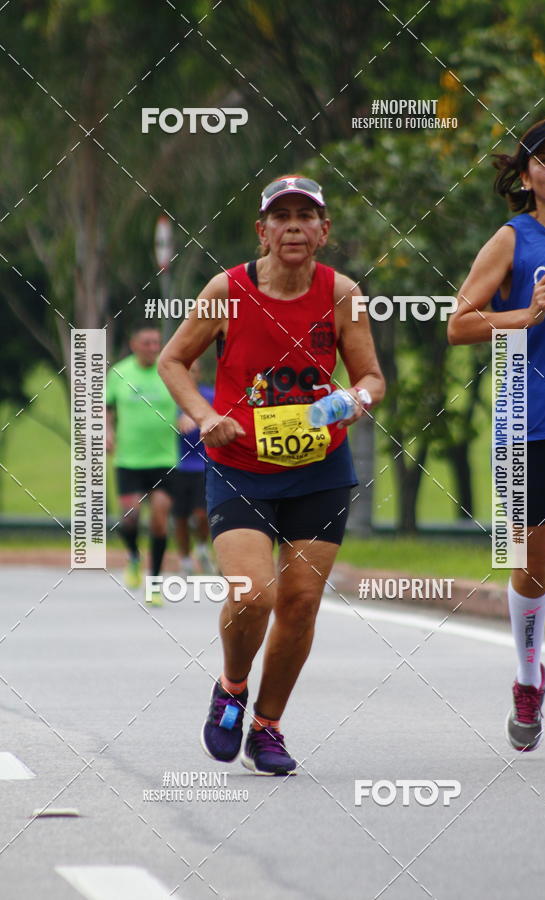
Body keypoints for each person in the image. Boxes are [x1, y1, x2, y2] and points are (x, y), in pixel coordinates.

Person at [158, 175, 385, 774]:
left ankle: (267, 725)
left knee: (302, 602)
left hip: (320, 471)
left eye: (305, 217)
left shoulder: (343, 293)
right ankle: (232, 687)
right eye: (280, 217)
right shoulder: (226, 290)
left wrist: (344, 403)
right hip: (240, 470)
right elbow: (172, 359)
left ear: (323, 230)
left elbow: (371, 378)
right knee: (252, 594)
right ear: (261, 230)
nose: (293, 226)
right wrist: (205, 416)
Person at [448, 116, 545, 756]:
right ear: (528, 176)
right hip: (526, 424)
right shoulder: (512, 240)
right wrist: (526, 314)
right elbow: (459, 324)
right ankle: (528, 675)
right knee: (532, 571)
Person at [106, 325, 177, 606]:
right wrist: (106, 431)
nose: (152, 347)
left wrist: (188, 417)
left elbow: (187, 397)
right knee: (130, 516)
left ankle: (155, 583)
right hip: (129, 461)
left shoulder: (169, 369)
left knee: (160, 519)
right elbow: (106, 408)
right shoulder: (120, 372)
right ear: (134, 344)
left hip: (164, 459)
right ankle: (134, 556)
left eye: (156, 343)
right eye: (146, 343)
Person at [172, 359, 216, 575]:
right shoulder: (169, 399)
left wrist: (199, 419)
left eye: (194, 371)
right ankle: (185, 561)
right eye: (186, 371)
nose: (190, 375)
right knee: (179, 517)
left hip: (202, 465)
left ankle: (201, 548)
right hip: (175, 465)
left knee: (201, 514)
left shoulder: (210, 396)